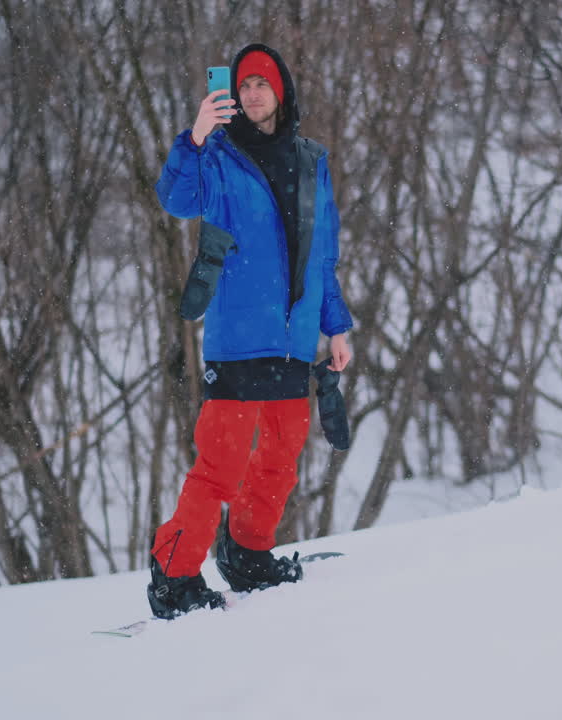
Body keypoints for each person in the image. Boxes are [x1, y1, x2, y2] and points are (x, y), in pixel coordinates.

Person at [148, 43, 353, 619]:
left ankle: (247, 552)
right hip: (238, 337)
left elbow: (323, 257)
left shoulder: (312, 160)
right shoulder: (216, 155)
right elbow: (175, 199)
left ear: (280, 91)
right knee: (220, 466)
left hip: (294, 337)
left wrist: (335, 327)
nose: (252, 93)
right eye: (243, 86)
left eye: (262, 84)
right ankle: (175, 573)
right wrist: (193, 138)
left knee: (282, 460)